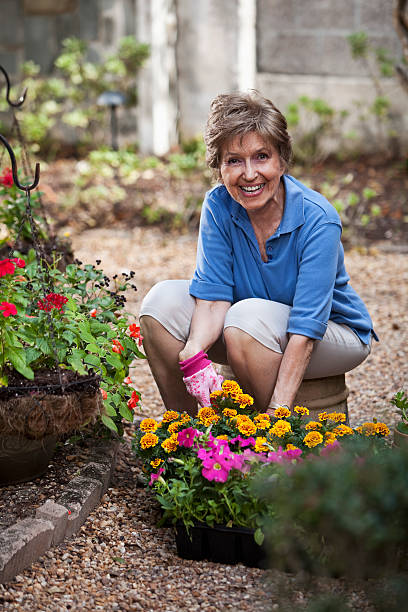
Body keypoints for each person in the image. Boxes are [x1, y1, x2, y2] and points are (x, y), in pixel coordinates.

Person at [139, 91, 377, 416]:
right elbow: (212, 297)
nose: (249, 174)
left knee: (246, 319)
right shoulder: (219, 205)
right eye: (234, 160)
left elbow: (306, 332)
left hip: (331, 333)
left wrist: (277, 414)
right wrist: (192, 354)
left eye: (261, 156)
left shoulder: (318, 218)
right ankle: (190, 438)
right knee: (160, 303)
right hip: (251, 326)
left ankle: (267, 442)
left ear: (282, 160)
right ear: (219, 168)